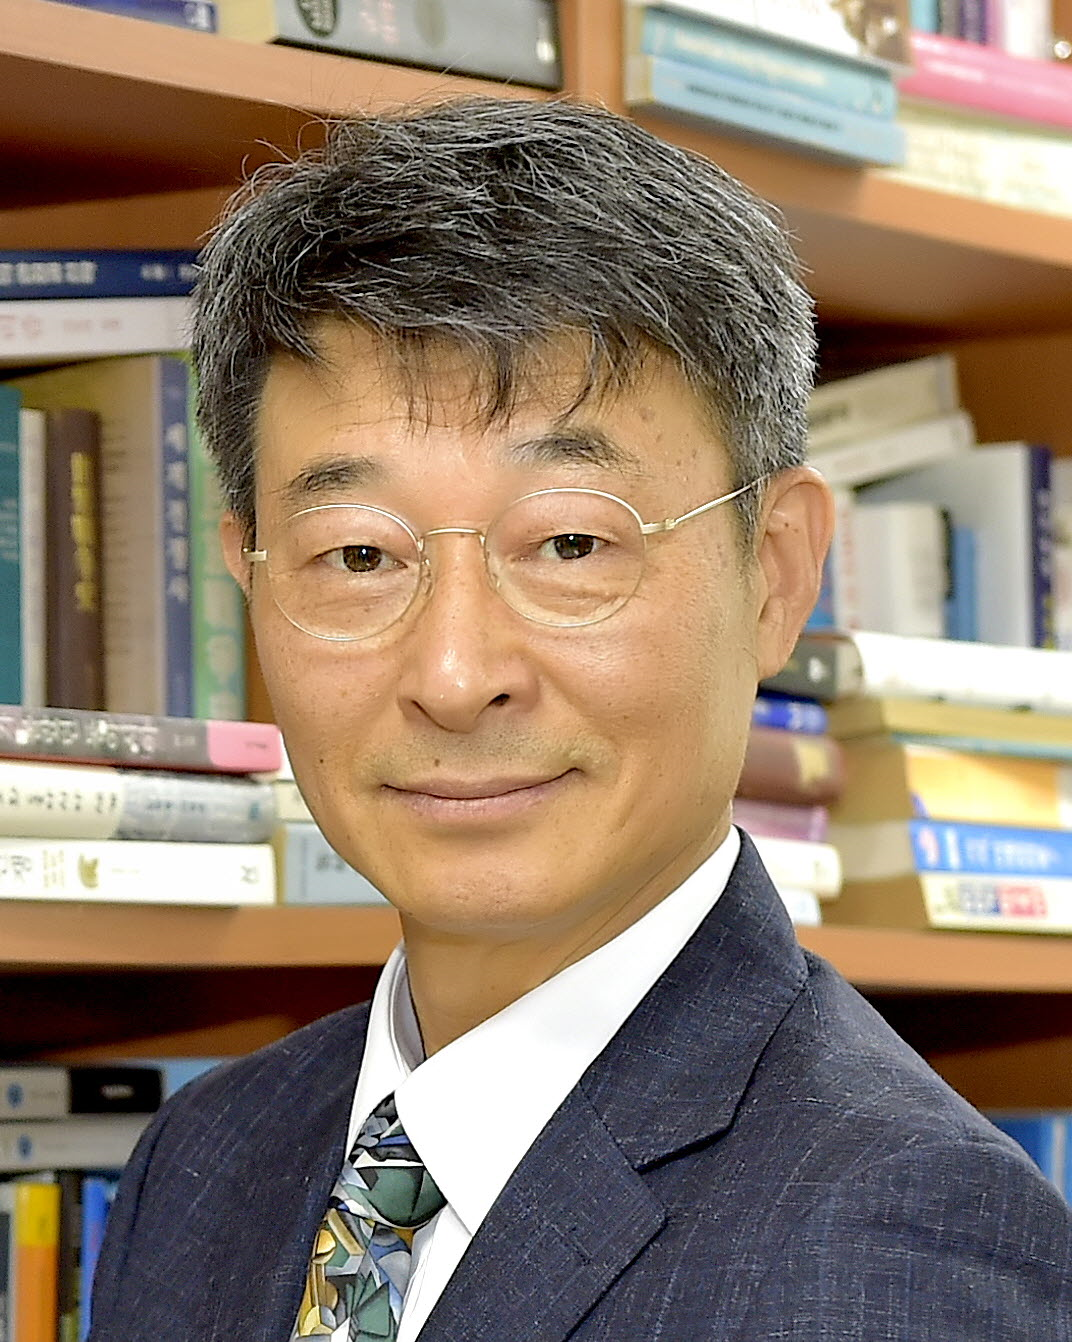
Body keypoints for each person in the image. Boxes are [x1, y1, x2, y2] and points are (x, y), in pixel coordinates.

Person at [88, 97, 1072, 1340]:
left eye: (568, 542)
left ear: (775, 572)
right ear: (250, 576)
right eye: (357, 554)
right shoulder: (206, 1159)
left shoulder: (900, 1246)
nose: (455, 673)